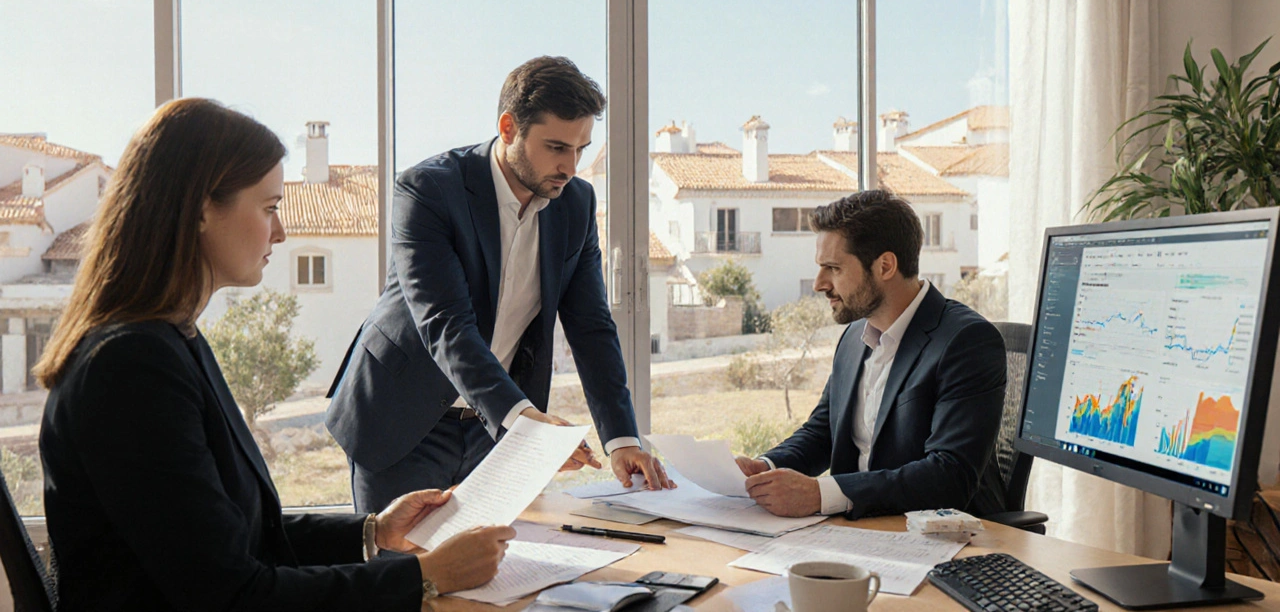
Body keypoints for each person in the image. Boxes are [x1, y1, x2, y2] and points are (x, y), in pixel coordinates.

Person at [36, 98, 514, 611]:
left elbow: (223, 532)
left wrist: (373, 532)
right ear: (200, 208)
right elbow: (232, 594)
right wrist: (425, 576)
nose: (281, 232)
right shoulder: (131, 369)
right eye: (268, 208)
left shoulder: (165, 342)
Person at [326, 56, 671, 513]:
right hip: (402, 421)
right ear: (508, 128)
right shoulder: (428, 190)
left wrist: (621, 439)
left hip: (497, 433)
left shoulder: (576, 204)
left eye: (581, 149)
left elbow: (591, 327)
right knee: (400, 576)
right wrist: (529, 424)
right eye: (555, 147)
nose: (570, 167)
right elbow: (447, 326)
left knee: (492, 574)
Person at [734, 191, 1007, 519]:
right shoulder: (854, 336)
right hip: (865, 532)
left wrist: (821, 494)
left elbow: (949, 475)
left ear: (885, 266)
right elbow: (824, 432)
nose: (819, 283)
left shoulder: (967, 342)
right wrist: (764, 467)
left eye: (833, 268)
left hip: (949, 542)